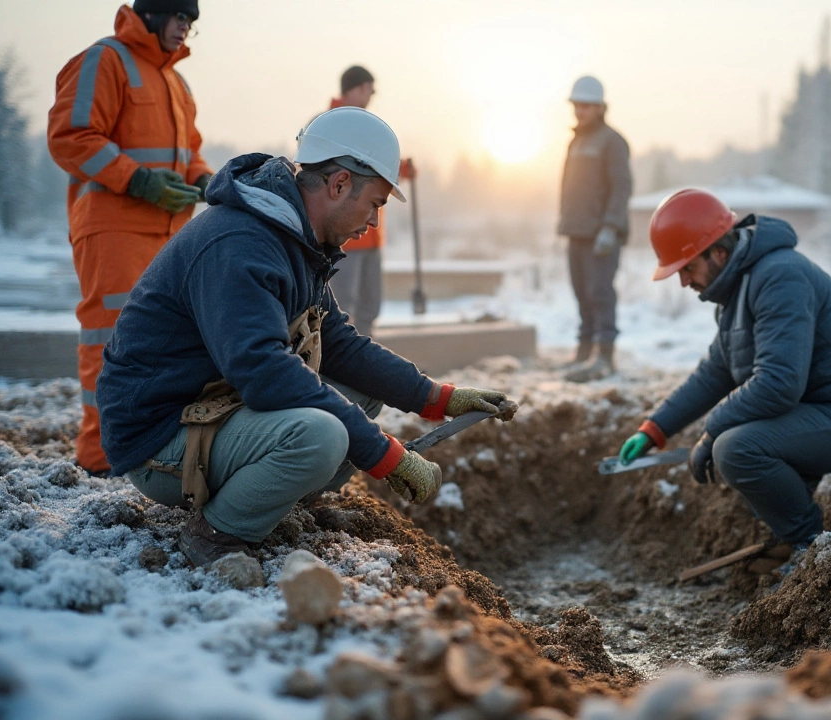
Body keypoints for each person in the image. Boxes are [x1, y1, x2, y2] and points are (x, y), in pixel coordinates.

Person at [96, 107, 514, 568]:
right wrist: (384, 455)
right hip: (160, 439)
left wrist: (439, 398)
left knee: (360, 399)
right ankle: (217, 532)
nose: (374, 222)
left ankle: (272, 495)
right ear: (338, 185)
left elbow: (340, 344)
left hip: (208, 407)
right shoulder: (241, 244)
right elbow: (264, 373)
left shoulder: (293, 238)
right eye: (375, 204)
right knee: (323, 437)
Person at [616, 189, 831, 569]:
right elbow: (715, 372)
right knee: (735, 441)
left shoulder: (780, 278)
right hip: (815, 411)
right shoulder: (739, 289)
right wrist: (654, 430)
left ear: (719, 252)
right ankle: (790, 537)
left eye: (687, 267)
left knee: (735, 448)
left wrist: (712, 431)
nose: (683, 281)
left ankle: (810, 547)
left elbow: (778, 383)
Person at [48, 0, 211, 475]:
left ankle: (148, 449)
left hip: (170, 234)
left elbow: (190, 155)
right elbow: (70, 136)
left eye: (191, 24)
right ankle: (100, 456)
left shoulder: (176, 83)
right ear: (155, 13)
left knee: (165, 343)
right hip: (112, 226)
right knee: (111, 338)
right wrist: (137, 179)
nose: (185, 29)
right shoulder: (104, 60)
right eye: (181, 18)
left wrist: (206, 182)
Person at [325, 65, 417, 336]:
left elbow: (372, 163)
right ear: (357, 88)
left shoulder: (360, 124)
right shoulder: (333, 124)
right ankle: (340, 367)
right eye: (368, 90)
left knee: (368, 307)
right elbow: (358, 165)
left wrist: (400, 170)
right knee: (342, 307)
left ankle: (363, 365)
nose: (370, 97)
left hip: (369, 233)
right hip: (344, 235)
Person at [557, 75, 632, 383]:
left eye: (587, 105)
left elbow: (621, 186)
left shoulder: (612, 141)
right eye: (577, 105)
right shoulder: (576, 141)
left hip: (601, 234)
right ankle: (584, 351)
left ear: (601, 107)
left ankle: (604, 356)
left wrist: (610, 226)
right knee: (581, 294)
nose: (580, 111)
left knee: (599, 293)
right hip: (577, 230)